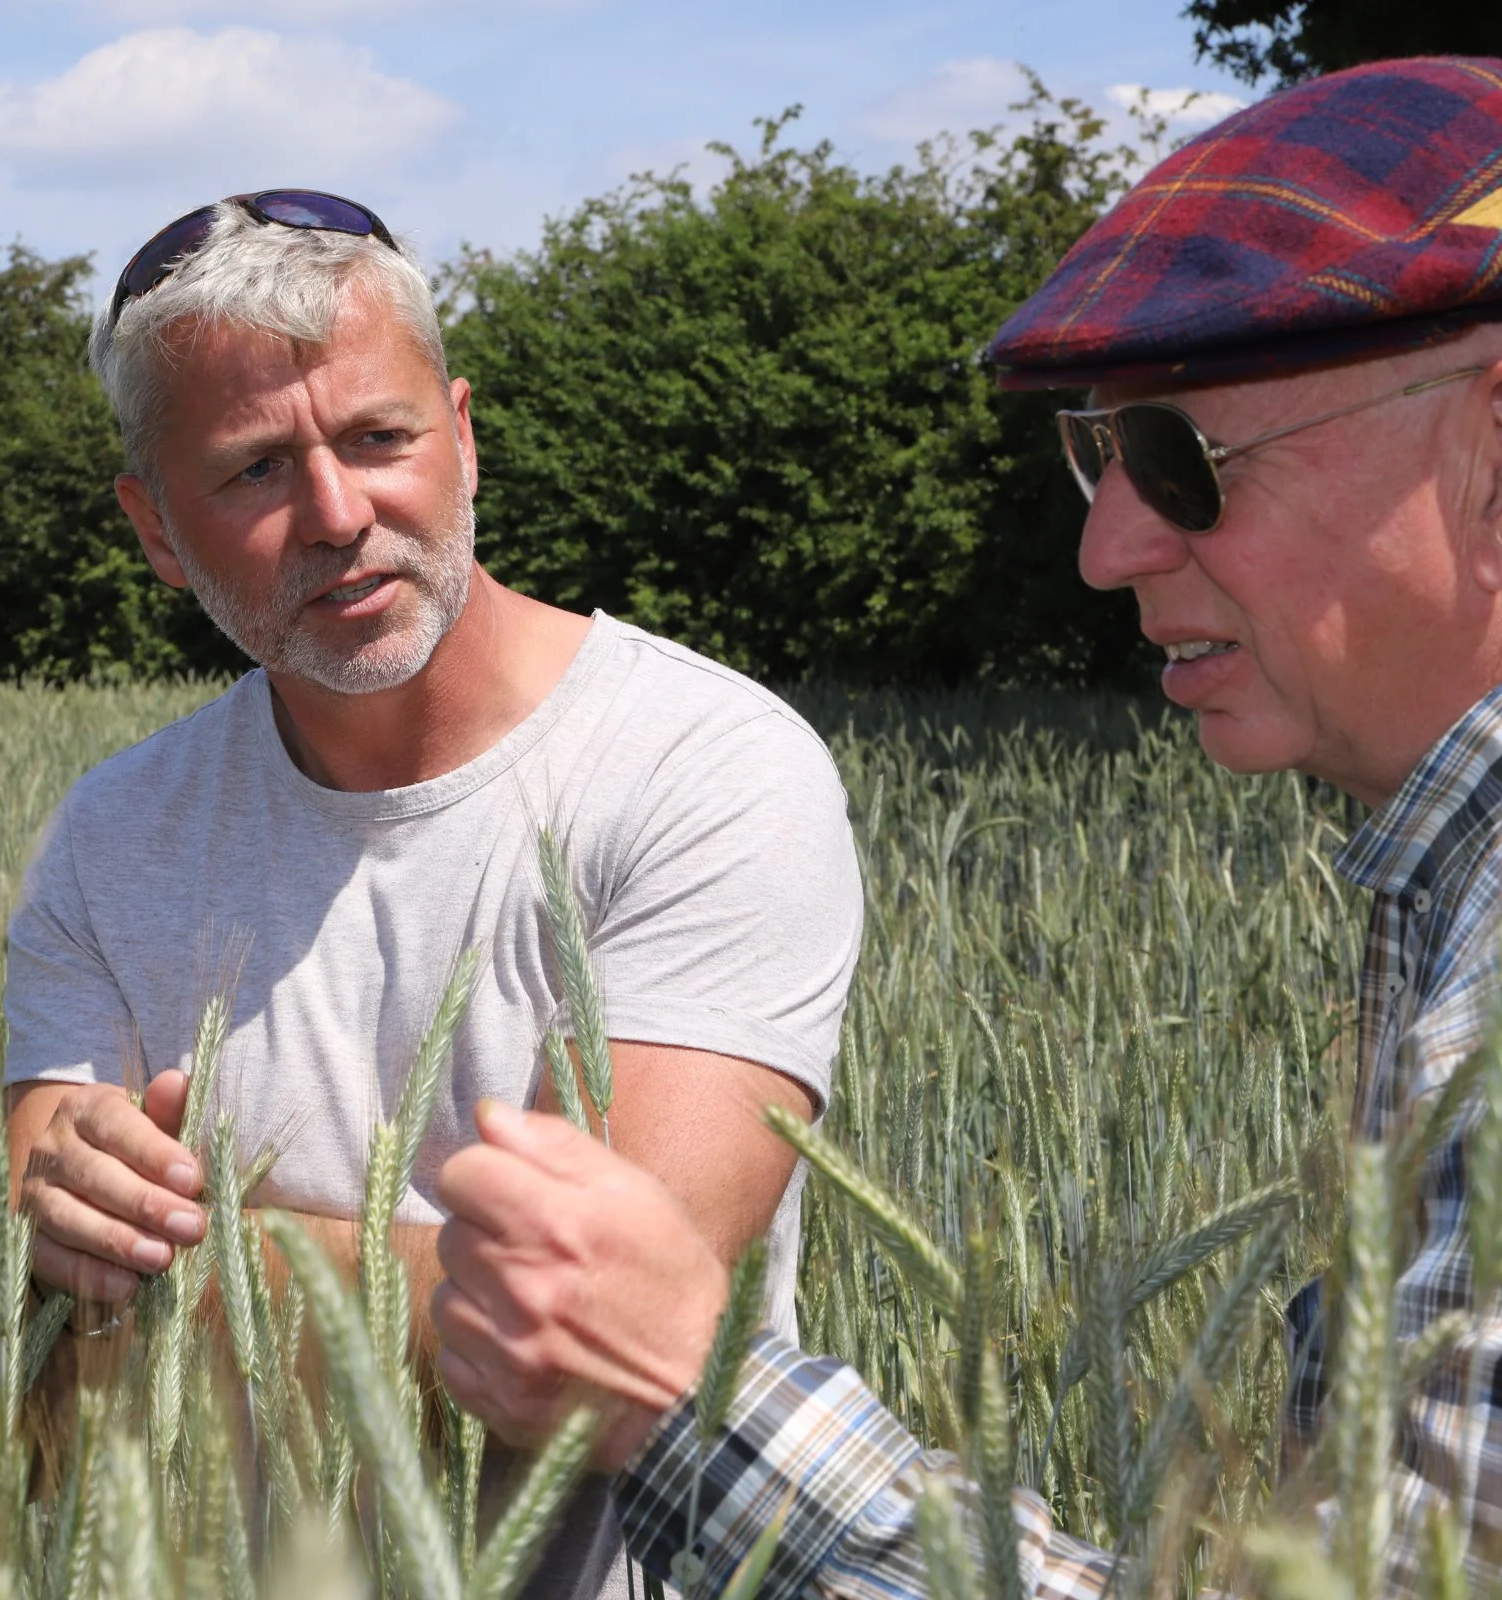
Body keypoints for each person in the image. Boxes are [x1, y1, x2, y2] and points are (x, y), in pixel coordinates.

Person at [430, 56, 1502, 1598]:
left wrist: (688, 1393)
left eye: (1180, 458)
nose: (1105, 544)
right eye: (1099, 446)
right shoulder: (1442, 899)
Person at [3, 191, 864, 1593]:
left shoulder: (710, 770)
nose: (339, 514)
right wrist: (80, 1241)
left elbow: (582, 1341)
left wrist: (181, 1272)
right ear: (156, 530)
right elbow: (50, 1300)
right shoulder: (103, 841)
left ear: (463, 435)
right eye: (254, 471)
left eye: (380, 438)